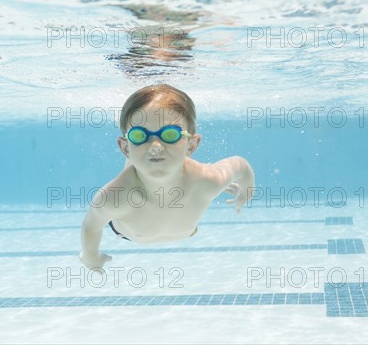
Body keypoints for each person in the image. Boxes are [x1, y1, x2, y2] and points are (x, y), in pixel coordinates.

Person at [79, 84, 255, 270]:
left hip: (186, 215)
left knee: (149, 159)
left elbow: (241, 165)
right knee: (143, 162)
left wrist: (246, 191)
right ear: (123, 148)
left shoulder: (209, 181)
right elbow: (90, 226)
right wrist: (90, 257)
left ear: (192, 145)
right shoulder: (114, 197)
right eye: (140, 135)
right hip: (128, 231)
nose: (155, 145)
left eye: (170, 134)